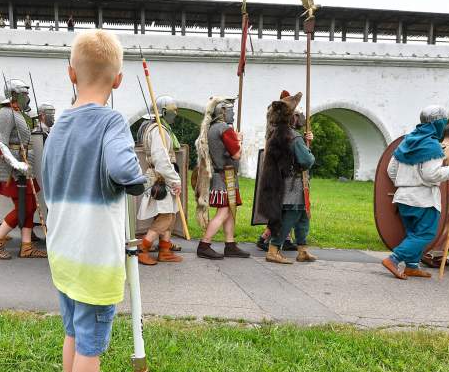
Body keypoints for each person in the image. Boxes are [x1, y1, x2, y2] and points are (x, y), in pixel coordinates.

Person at [41, 29, 147, 372]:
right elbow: (123, 170)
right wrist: (140, 181)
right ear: (117, 80)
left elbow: (47, 178)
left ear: (72, 74)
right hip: (94, 256)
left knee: (73, 332)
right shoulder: (111, 121)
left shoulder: (58, 125)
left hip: (63, 250)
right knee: (90, 347)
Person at [381, 106, 449, 279]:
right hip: (423, 199)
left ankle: (412, 266)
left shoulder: (407, 142)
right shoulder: (431, 145)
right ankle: (394, 259)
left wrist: (405, 182)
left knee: (413, 233)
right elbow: (432, 175)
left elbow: (391, 169)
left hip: (403, 197)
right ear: (439, 123)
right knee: (425, 234)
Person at [0, 78, 46, 259]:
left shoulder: (17, 113)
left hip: (24, 168)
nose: (27, 97)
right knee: (24, 207)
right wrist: (16, 164)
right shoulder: (5, 113)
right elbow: (0, 143)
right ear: (13, 95)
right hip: (14, 170)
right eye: (24, 94)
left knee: (29, 206)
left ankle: (26, 247)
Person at [259, 92, 319, 264]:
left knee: (302, 217)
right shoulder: (293, 136)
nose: (299, 118)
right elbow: (307, 161)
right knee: (290, 217)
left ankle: (302, 250)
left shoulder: (278, 132)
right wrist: (309, 152)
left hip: (288, 182)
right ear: (291, 117)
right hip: (293, 183)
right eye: (296, 115)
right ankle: (273, 250)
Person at [193, 96, 248, 259]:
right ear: (222, 111)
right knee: (224, 212)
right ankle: (204, 245)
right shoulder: (224, 128)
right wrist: (239, 141)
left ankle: (230, 245)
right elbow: (236, 155)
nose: (233, 114)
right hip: (225, 177)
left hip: (222, 176)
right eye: (231, 110)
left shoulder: (211, 128)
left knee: (230, 211)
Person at [136, 95, 182, 265]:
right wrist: (175, 180)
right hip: (160, 178)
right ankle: (142, 249)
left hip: (162, 177)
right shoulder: (158, 130)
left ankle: (164, 250)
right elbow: (161, 160)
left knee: (169, 214)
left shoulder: (162, 129)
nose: (175, 114)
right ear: (163, 112)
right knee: (166, 217)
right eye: (172, 111)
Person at [421, 121, 449, 267]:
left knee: (437, 222)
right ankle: (434, 253)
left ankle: (433, 252)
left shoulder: (435, 147)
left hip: (434, 191)